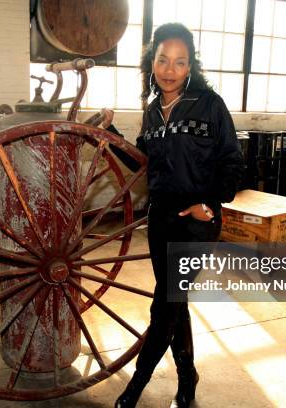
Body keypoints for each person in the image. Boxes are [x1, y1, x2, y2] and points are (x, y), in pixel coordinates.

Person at [100, 23, 245, 408]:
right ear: (152, 62)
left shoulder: (210, 104)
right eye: (163, 60)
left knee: (163, 306)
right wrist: (109, 131)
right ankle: (188, 375)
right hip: (161, 220)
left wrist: (210, 204)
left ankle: (134, 389)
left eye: (179, 62)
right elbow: (144, 164)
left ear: (190, 66)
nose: (169, 69)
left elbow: (233, 162)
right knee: (174, 303)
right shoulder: (151, 113)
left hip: (196, 222)